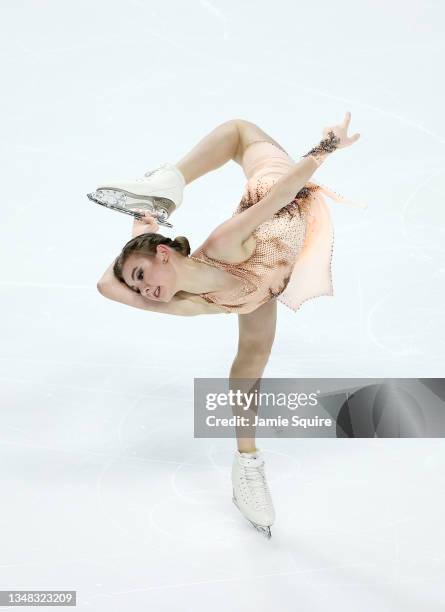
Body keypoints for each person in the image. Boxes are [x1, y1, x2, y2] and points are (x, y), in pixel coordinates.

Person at [94, 116, 362, 537]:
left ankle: (170, 181)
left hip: (280, 192)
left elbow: (282, 195)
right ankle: (248, 465)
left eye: (142, 276)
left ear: (165, 254)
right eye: (138, 286)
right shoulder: (188, 303)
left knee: (238, 132)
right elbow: (106, 286)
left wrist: (325, 146)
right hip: (261, 287)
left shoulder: (222, 244)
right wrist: (141, 229)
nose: (143, 291)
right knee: (248, 368)